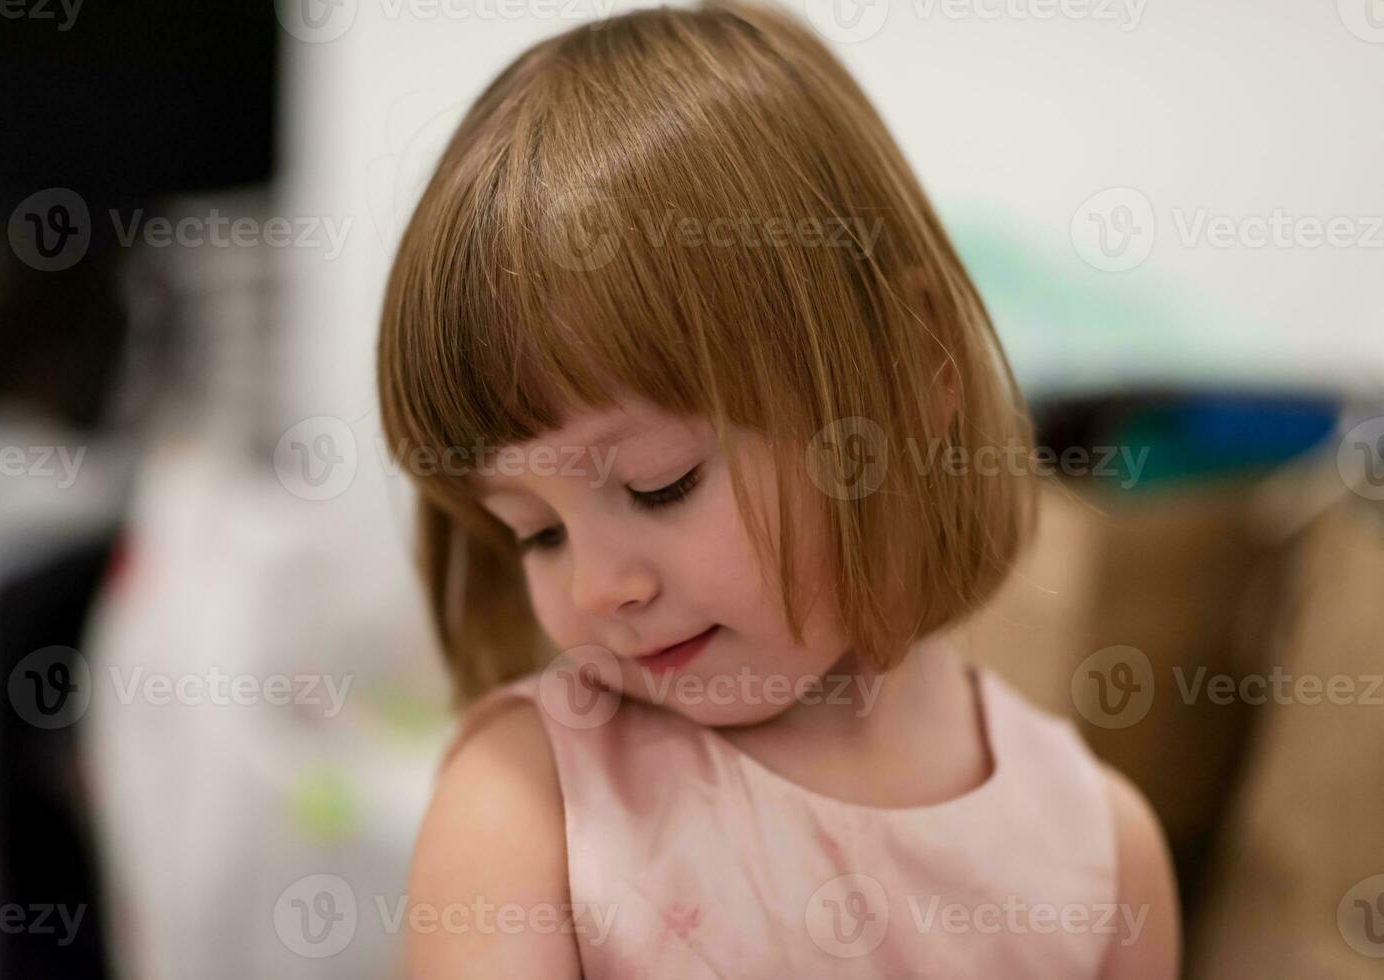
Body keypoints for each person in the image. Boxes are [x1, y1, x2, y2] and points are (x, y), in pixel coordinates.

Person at [375, 2, 1180, 976]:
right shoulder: (528, 799)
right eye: (534, 531)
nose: (594, 587)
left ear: (916, 362)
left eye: (658, 483)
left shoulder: (1099, 848)